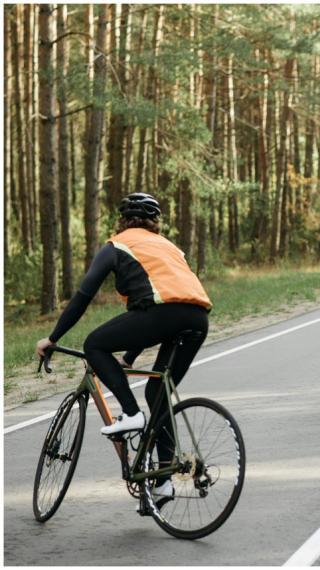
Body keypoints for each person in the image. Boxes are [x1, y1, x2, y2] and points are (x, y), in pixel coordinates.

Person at [36, 192, 212, 504]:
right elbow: (163, 298)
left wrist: (54, 337)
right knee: (158, 393)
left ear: (122, 221)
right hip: (198, 319)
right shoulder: (170, 248)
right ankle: (162, 482)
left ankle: (131, 414)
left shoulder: (117, 244)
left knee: (94, 344)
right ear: (154, 223)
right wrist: (129, 356)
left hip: (161, 314)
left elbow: (83, 295)